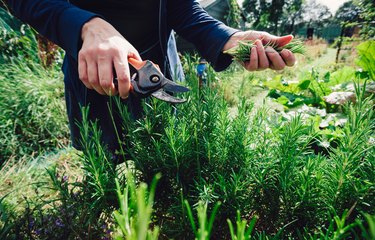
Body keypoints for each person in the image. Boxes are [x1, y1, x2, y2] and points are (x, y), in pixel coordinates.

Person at [5, 0, 296, 159]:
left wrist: (227, 36)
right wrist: (83, 24)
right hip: (97, 75)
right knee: (105, 172)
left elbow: (179, 8)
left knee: (168, 162)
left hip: (160, 73)